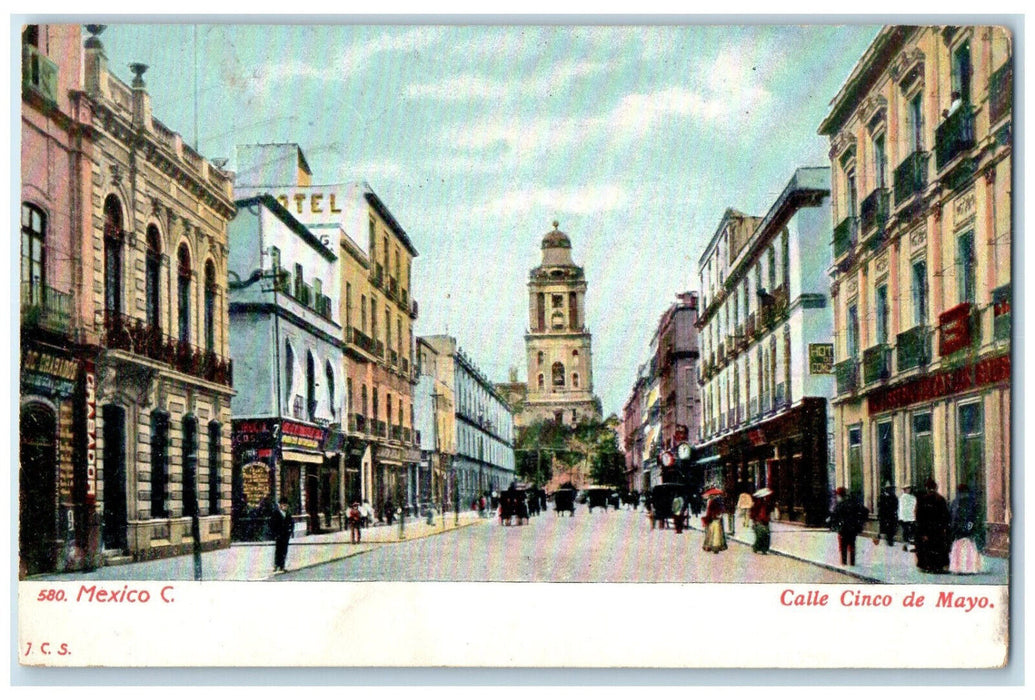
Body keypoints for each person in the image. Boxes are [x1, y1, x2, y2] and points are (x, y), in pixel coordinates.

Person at [915, 479, 951, 573]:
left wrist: (922, 532)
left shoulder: (922, 499)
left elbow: (919, 517)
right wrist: (944, 528)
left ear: (926, 488)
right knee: (938, 547)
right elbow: (946, 516)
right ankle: (938, 566)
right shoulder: (940, 499)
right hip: (938, 529)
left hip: (926, 529)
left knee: (927, 548)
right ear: (935, 487)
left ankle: (928, 566)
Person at [949, 484, 984, 574]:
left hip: (958, 531)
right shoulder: (973, 502)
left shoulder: (955, 502)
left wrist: (953, 529)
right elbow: (976, 517)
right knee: (969, 549)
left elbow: (952, 517)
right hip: (969, 530)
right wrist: (973, 526)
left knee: (958, 549)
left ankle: (958, 568)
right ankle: (970, 568)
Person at [831, 487, 868, 566]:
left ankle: (844, 563)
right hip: (852, 528)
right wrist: (860, 522)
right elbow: (865, 511)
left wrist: (835, 526)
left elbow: (834, 517)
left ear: (839, 496)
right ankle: (852, 562)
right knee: (852, 545)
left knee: (843, 546)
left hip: (843, 529)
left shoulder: (839, 505)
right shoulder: (854, 503)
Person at [270, 497, 294, 573]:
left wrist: (291, 531)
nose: (285, 507)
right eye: (284, 505)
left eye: (286, 505)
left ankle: (282, 566)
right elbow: (272, 524)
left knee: (284, 550)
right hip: (279, 535)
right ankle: (276, 565)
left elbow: (292, 523)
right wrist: (274, 534)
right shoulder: (276, 514)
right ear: (280, 505)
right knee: (278, 550)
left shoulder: (288, 514)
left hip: (285, 535)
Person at [898, 485, 917, 552]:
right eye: (908, 489)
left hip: (906, 518)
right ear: (905, 490)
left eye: (909, 489)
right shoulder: (908, 498)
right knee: (909, 532)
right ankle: (907, 545)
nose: (909, 490)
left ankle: (907, 545)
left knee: (908, 532)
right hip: (908, 518)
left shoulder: (903, 498)